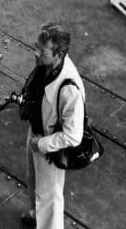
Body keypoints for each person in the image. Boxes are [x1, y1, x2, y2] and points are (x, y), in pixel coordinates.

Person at [19, 23, 84, 229]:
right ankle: (35, 215)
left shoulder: (69, 89)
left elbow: (74, 136)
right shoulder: (48, 66)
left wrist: (43, 143)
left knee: (49, 197)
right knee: (33, 181)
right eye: (35, 47)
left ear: (59, 53)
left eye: (42, 51)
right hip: (36, 132)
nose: (35, 54)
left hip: (49, 145)